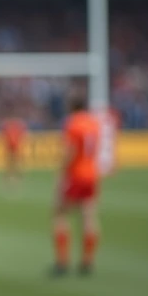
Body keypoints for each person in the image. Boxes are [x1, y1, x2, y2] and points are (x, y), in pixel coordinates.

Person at [52, 95, 101, 276]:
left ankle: (62, 261)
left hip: (75, 174)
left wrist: (61, 174)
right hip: (91, 174)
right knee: (89, 216)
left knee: (60, 214)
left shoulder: (72, 123)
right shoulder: (94, 124)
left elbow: (70, 152)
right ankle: (88, 261)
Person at [1, 113, 27, 190]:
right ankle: (11, 177)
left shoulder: (16, 127)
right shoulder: (9, 127)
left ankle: (15, 176)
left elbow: (21, 137)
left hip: (16, 148)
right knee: (11, 163)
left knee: (16, 163)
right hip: (10, 148)